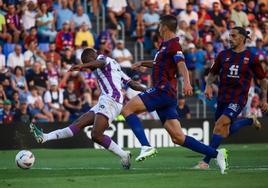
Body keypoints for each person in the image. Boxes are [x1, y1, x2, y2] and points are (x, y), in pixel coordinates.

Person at [121, 15, 228, 174]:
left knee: (127, 110)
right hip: (167, 96)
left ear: (164, 27)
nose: (158, 28)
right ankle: (217, 153)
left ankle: (146, 146)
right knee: (178, 137)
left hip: (162, 90)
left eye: (159, 25)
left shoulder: (174, 44)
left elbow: (181, 63)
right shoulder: (164, 46)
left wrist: (186, 81)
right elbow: (159, 63)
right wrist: (143, 63)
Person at [30, 48, 147, 169]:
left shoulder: (103, 59)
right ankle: (45, 137)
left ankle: (123, 155)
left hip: (111, 100)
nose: (90, 68)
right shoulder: (115, 65)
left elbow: (99, 63)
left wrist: (81, 66)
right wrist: (146, 90)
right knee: (77, 124)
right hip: (106, 100)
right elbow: (132, 83)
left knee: (96, 135)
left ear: (92, 57)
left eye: (87, 62)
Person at [195, 27, 268, 169]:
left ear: (242, 38)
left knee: (220, 125)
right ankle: (249, 120)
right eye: (229, 36)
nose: (230, 38)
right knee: (224, 131)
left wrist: (264, 98)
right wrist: (208, 86)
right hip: (222, 97)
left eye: (233, 36)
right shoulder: (223, 55)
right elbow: (212, 73)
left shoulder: (251, 58)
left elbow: (263, 80)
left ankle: (206, 161)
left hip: (238, 99)